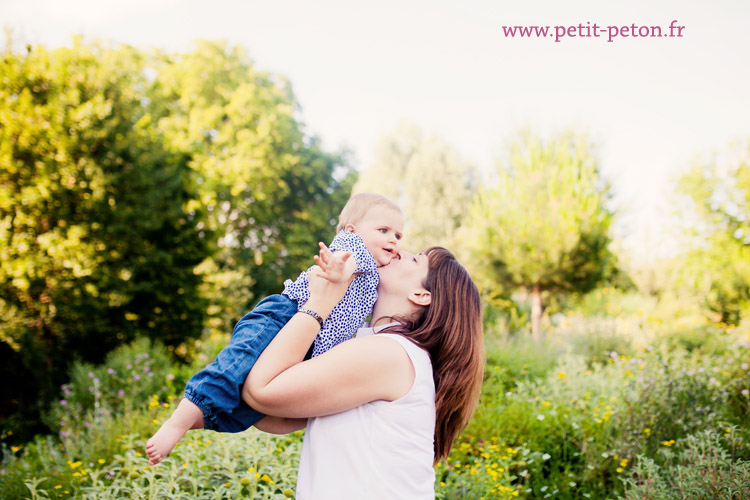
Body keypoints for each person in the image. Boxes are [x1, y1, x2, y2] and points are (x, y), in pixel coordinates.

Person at [146, 193, 404, 466]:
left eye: (399, 235)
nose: (393, 240)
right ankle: (176, 424)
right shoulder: (353, 248)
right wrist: (339, 272)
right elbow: (345, 260)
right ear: (353, 229)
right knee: (234, 366)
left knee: (249, 411)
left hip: (308, 343)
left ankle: (194, 422)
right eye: (384, 230)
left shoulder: (377, 278)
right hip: (285, 315)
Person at [243, 244, 485, 499]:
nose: (398, 250)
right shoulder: (390, 352)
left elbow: (261, 392)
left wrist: (321, 302)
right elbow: (270, 416)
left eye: (415, 260)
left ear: (421, 294)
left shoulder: (389, 354)